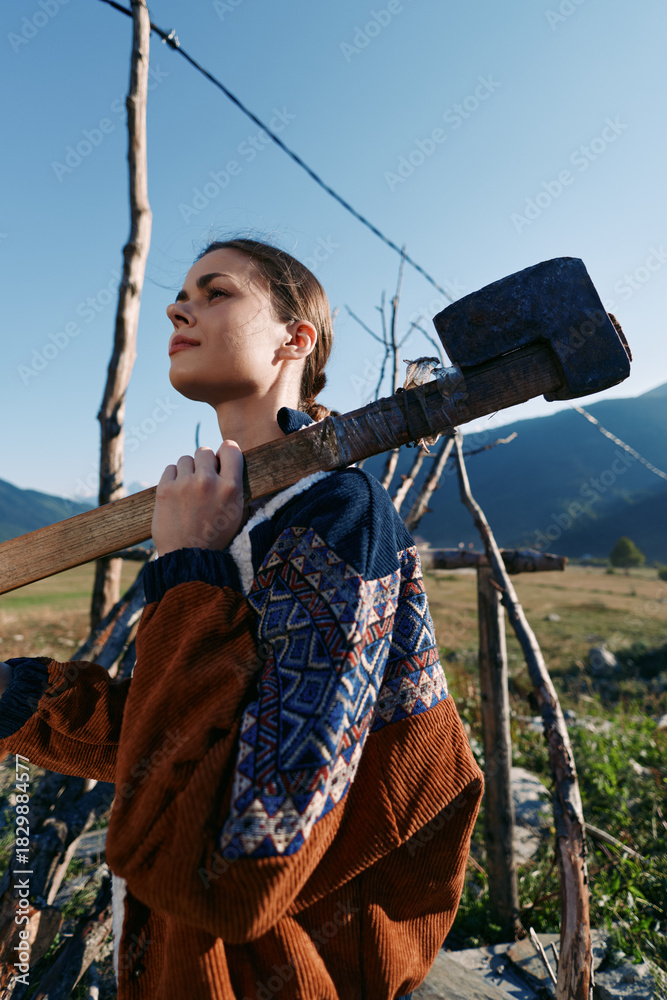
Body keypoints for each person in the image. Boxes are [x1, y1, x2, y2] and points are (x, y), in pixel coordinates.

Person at [0, 237, 483, 1000]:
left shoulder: (338, 520)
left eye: (215, 290)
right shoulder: (243, 514)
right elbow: (188, 737)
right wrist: (21, 699)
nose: (174, 305)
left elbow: (233, 867)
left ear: (297, 339)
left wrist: (189, 570)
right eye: (181, 292)